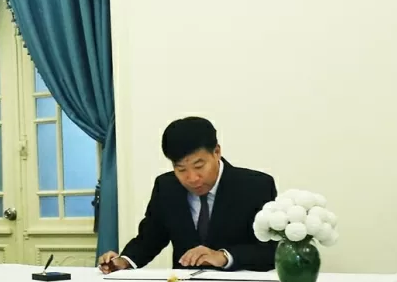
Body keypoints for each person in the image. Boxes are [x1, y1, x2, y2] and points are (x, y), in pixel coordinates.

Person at [98, 117, 277, 273]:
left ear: (217, 152)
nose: (192, 178)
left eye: (199, 166)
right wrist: (124, 261)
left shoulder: (255, 186)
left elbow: (270, 250)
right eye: (181, 169)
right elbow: (150, 239)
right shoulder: (167, 186)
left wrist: (224, 256)